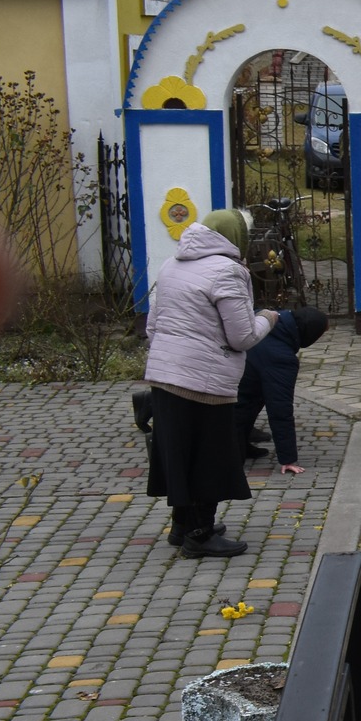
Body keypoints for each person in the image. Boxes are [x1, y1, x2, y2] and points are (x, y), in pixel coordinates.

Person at [143, 209, 277, 558]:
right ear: (236, 237)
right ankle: (200, 535)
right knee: (209, 456)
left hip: (165, 375)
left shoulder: (171, 265)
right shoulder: (228, 270)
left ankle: (181, 526)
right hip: (204, 381)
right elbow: (242, 337)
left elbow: (152, 327)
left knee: (179, 453)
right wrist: (268, 318)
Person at [236, 306, 328, 473]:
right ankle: (232, 451)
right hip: (229, 401)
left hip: (229, 386)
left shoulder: (265, 319)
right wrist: (288, 457)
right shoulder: (281, 358)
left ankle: (241, 443)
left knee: (252, 396)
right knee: (249, 402)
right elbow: (280, 409)